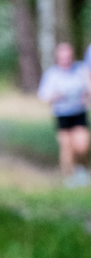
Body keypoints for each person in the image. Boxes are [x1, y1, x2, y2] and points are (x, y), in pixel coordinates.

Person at [39, 42, 91, 186]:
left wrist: (86, 96)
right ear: (58, 58)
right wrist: (55, 96)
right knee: (66, 146)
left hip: (79, 112)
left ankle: (80, 169)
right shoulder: (52, 74)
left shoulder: (80, 69)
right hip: (62, 114)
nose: (66, 60)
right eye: (63, 58)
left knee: (82, 145)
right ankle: (69, 176)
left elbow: (88, 87)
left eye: (68, 57)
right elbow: (43, 96)